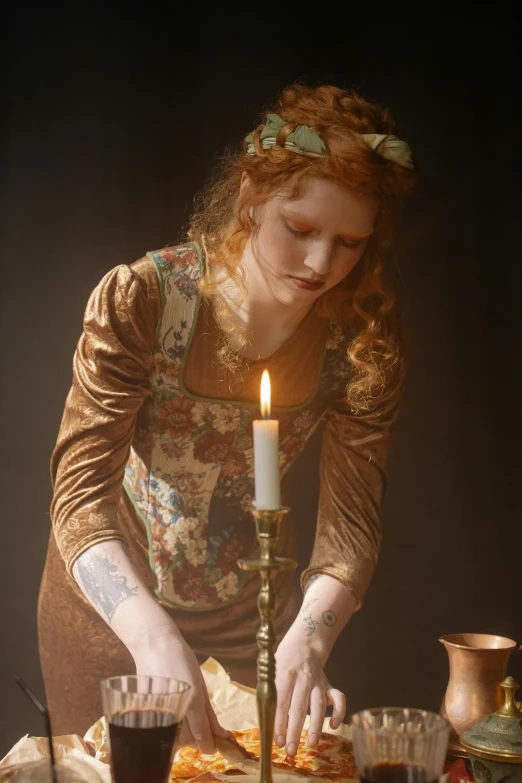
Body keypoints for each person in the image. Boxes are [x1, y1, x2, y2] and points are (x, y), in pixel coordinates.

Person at [37, 83, 415, 756]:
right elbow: (77, 500)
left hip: (255, 617)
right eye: (300, 229)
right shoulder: (145, 298)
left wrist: (312, 633)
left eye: (349, 242)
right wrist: (152, 636)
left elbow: (352, 523)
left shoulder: (360, 338)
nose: (322, 264)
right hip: (113, 609)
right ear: (248, 198)